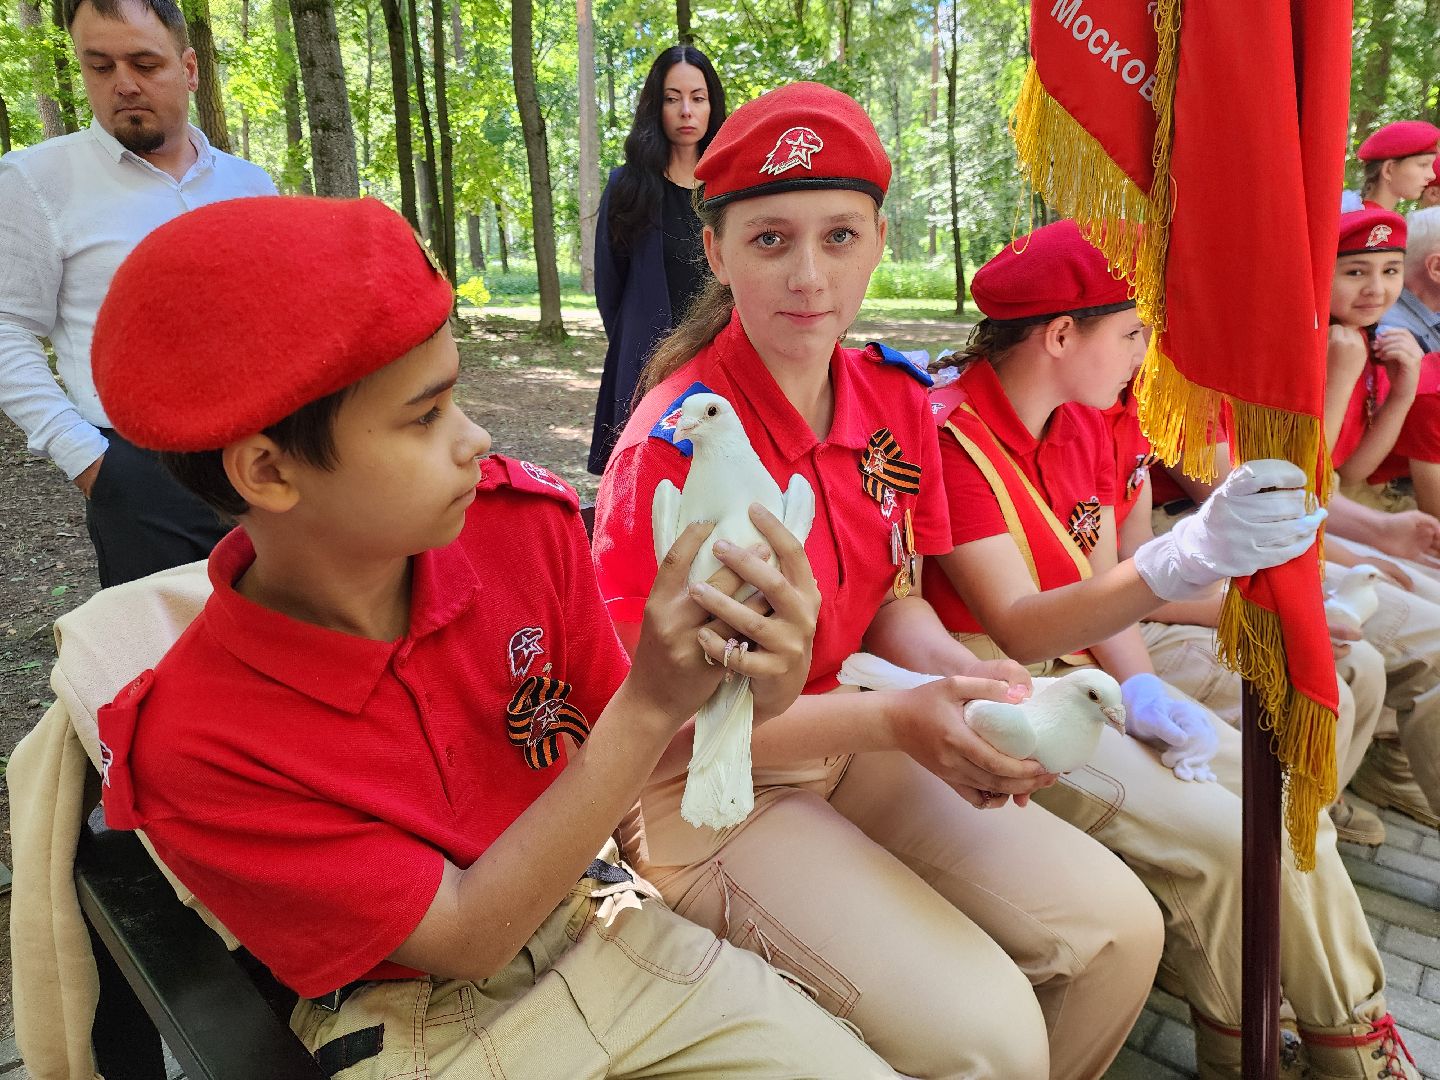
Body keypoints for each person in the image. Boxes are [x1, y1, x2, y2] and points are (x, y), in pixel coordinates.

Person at [88, 195, 895, 1079]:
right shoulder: (200, 743)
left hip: (606, 925)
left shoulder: (520, 533)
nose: (474, 438)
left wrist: (751, 682)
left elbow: (643, 739)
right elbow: (468, 937)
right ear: (268, 470)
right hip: (423, 1023)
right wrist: (652, 701)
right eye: (425, 416)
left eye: (457, 396)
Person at [594, 80, 1172, 1080]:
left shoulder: (892, 399)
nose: (808, 275)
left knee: (1120, 931)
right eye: (770, 239)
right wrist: (901, 719)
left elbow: (893, 599)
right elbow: (654, 718)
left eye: (839, 236)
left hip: (857, 736)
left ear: (878, 241)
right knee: (991, 1035)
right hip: (712, 789)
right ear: (717, 252)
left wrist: (968, 683)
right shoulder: (675, 451)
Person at [921, 219, 1415, 1079]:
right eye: (1133, 332)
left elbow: (1100, 588)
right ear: (1061, 336)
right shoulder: (950, 435)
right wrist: (1178, 569)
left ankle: (1339, 1035)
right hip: (999, 690)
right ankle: (1290, 1048)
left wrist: (1145, 689)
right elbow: (1023, 625)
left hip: (1085, 674)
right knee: (1232, 835)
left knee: (1283, 810)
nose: (1145, 353)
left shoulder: (1078, 421)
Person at [0, 0, 276, 590]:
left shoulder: (249, 184)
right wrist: (89, 460)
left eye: (145, 64)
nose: (123, 84)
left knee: (286, 628)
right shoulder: (35, 181)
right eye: (100, 66)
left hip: (268, 452)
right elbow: (7, 328)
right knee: (168, 642)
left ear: (190, 69)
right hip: (140, 472)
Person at [588, 46, 726, 475]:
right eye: (672, 98)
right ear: (656, 106)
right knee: (650, 479)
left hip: (721, 357)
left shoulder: (728, 188)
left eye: (698, 98)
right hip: (647, 362)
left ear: (711, 106)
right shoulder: (628, 186)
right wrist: (637, 345)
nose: (686, 110)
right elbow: (610, 287)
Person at [1340, 120, 1439, 212]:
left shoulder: (1351, 212)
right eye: (1423, 165)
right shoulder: (1379, 222)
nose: (1432, 176)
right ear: (1388, 170)